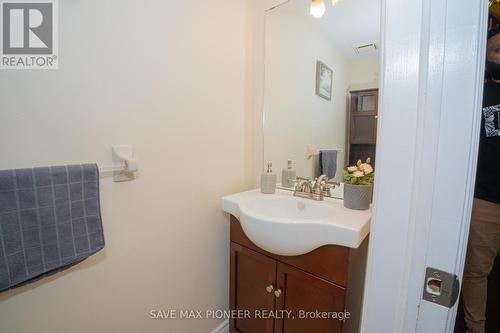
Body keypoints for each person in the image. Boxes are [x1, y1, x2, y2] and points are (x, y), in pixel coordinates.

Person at [462, 25, 500, 333]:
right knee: (477, 271)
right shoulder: (477, 91)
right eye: (497, 49)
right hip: (485, 198)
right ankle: (476, 328)